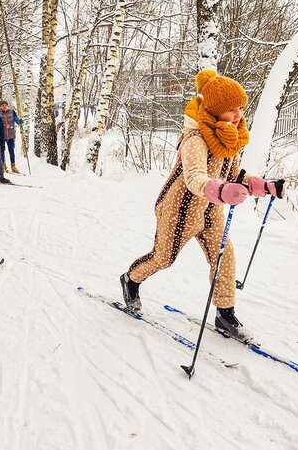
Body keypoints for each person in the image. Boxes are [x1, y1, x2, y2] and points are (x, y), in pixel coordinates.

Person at [119, 69, 286, 343]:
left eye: (241, 108)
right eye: (232, 109)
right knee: (163, 258)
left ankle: (225, 315)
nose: (238, 115)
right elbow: (195, 176)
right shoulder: (194, 138)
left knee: (225, 256)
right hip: (179, 209)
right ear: (216, 109)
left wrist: (264, 187)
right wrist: (220, 190)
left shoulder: (227, 139)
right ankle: (131, 280)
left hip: (210, 211)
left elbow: (235, 176)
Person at [0, 100, 22, 173]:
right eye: (2, 105)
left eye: (5, 105)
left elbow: (15, 118)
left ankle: (13, 166)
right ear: (0, 106)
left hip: (10, 135)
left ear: (7, 106)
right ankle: (3, 165)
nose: (4, 106)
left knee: (11, 151)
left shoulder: (11, 112)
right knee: (2, 151)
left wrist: (19, 122)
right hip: (1, 136)